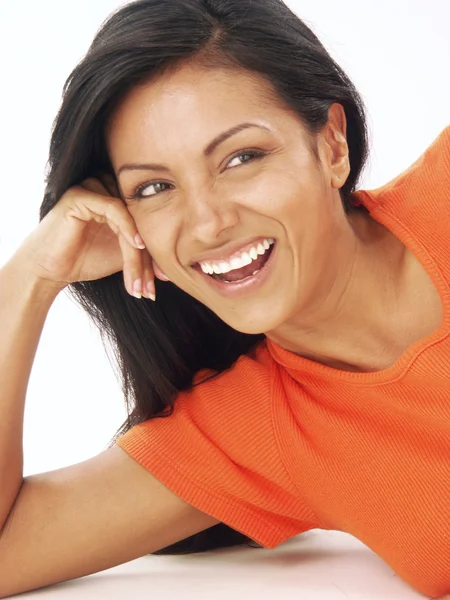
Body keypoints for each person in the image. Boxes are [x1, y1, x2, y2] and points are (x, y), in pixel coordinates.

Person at [0, 0, 448, 597]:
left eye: (241, 158)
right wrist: (31, 274)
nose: (208, 224)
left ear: (332, 146)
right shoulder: (252, 432)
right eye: (155, 188)